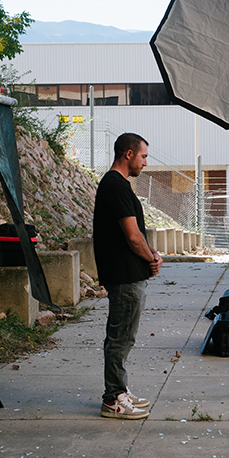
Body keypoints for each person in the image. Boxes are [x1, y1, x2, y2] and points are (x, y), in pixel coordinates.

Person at [92, 132, 162, 420]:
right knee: (120, 337)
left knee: (122, 336)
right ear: (129, 154)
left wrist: (150, 255)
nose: (146, 163)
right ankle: (113, 398)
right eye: (143, 156)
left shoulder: (118, 185)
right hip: (124, 275)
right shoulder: (115, 186)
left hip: (127, 273)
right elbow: (133, 237)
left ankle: (119, 390)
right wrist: (152, 258)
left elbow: (134, 235)